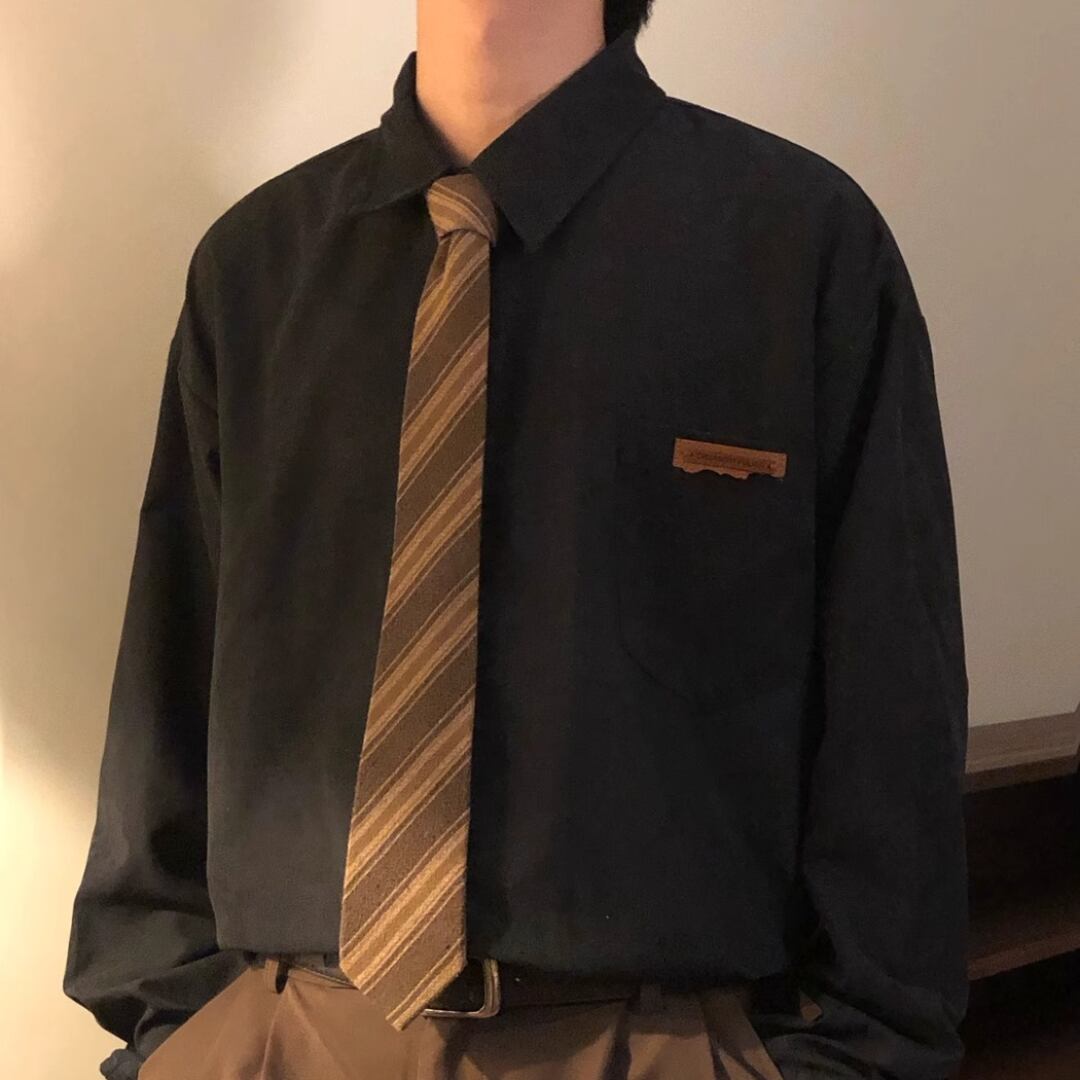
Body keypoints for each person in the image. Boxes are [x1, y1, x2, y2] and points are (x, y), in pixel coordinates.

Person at [64, 1, 971, 1078]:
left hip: (657, 1039)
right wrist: (173, 1036)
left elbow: (892, 720)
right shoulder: (254, 271)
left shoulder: (800, 245)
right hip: (280, 1035)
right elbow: (167, 685)